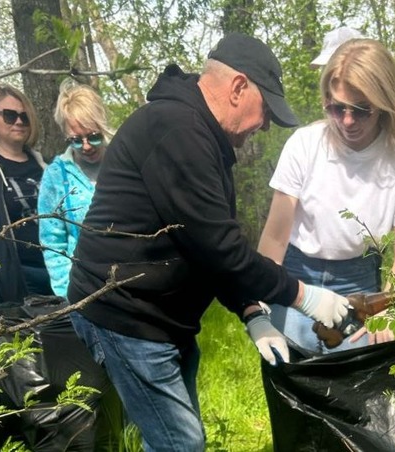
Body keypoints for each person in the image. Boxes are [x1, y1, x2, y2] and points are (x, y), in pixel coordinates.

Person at [66, 33, 351, 451]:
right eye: (266, 110)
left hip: (162, 319)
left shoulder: (201, 135)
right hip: (123, 313)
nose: (266, 124)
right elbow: (221, 250)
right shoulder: (177, 130)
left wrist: (251, 312)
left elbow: (205, 248)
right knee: (181, 443)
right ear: (238, 88)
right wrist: (306, 297)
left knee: (174, 439)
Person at [258, 38, 395, 354]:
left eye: (361, 110)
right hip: (296, 278)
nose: (347, 121)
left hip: (359, 284)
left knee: (352, 388)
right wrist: (258, 305)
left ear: (384, 104)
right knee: (293, 377)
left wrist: (385, 308)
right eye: (337, 107)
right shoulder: (304, 145)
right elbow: (275, 240)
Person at [0, 84, 52, 305]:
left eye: (24, 117)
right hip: (19, 275)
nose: (18, 122)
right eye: (9, 115)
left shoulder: (45, 164)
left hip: (58, 268)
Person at [38, 79, 113, 298]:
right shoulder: (56, 176)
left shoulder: (123, 162)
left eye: (93, 136)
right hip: (84, 287)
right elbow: (52, 243)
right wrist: (68, 294)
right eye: (76, 140)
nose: (87, 146)